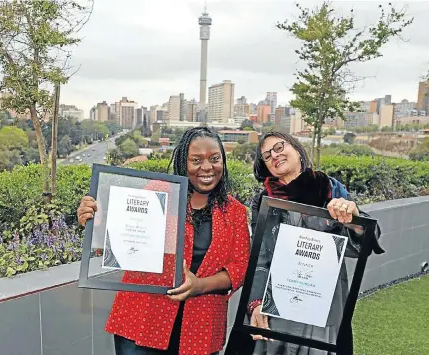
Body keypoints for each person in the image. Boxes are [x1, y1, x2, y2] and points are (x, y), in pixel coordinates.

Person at [77, 127, 251, 355]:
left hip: (201, 328)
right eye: (196, 160)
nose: (207, 167)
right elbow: (127, 236)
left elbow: (239, 268)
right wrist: (97, 222)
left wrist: (200, 286)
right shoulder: (158, 194)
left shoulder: (234, 212)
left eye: (215, 159)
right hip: (143, 322)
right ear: (182, 163)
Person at [247, 131, 383, 355]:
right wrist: (256, 302)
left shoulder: (330, 189)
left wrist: (353, 219)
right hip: (278, 305)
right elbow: (260, 255)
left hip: (323, 306)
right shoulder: (264, 201)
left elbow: (365, 240)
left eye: (279, 147)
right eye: (267, 155)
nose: (274, 155)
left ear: (298, 150)